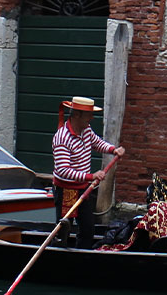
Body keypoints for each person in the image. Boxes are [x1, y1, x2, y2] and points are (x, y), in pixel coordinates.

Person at [51, 95, 125, 248]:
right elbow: (63, 170)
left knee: (88, 228)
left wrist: (113, 150)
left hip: (83, 188)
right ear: (77, 115)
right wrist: (91, 176)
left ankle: (82, 254)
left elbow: (96, 143)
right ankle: (59, 252)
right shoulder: (62, 138)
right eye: (88, 115)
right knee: (64, 229)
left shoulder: (86, 130)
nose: (91, 118)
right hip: (66, 190)